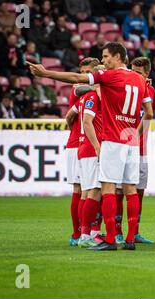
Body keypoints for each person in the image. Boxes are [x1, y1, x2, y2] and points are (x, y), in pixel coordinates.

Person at [27, 42, 153, 251]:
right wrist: (134, 135)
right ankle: (130, 237)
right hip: (131, 142)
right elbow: (148, 112)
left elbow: (77, 79)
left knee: (108, 188)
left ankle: (111, 238)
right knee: (130, 189)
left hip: (113, 140)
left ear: (118, 56)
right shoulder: (140, 80)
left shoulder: (111, 76)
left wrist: (46, 73)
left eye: (106, 57)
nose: (103, 61)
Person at [115, 57, 155, 245]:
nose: (135, 76)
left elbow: (150, 113)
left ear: (147, 74)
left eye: (139, 73)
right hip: (122, 146)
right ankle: (116, 231)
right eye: (133, 71)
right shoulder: (123, 88)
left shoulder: (151, 91)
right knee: (117, 192)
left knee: (138, 192)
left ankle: (135, 230)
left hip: (141, 151)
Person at [64, 58, 98, 247]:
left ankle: (91, 230)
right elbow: (69, 116)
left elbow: (69, 116)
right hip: (78, 144)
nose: (82, 75)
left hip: (87, 143)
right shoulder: (80, 88)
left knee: (92, 189)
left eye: (87, 72)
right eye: (82, 70)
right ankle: (78, 233)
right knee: (81, 189)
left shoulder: (91, 90)